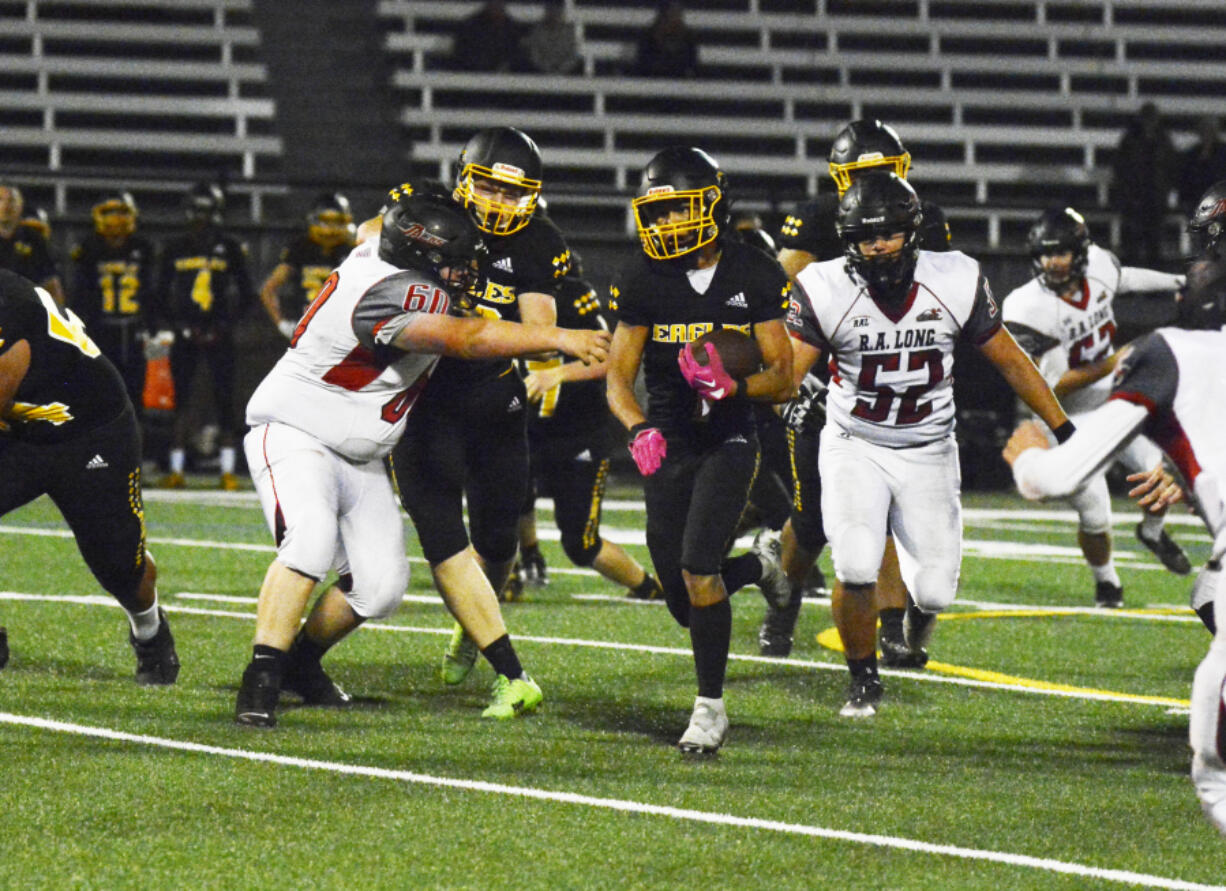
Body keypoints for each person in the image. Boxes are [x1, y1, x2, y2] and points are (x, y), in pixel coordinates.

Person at [234, 180, 609, 728]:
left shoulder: (381, 248)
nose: (466, 273)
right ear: (420, 255)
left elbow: (374, 228)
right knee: (310, 542)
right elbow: (470, 339)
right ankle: (261, 675)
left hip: (358, 453)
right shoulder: (387, 289)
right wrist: (561, 339)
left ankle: (300, 664)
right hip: (296, 431)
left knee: (381, 589)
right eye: (455, 263)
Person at [787, 172, 1072, 717]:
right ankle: (862, 678)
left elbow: (1011, 359)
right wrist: (739, 391)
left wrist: (1064, 429)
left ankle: (914, 627)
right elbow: (788, 372)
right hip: (855, 442)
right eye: (865, 237)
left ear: (912, 232)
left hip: (929, 447)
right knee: (853, 560)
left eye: (889, 234)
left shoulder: (957, 277)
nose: (876, 246)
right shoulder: (825, 285)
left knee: (937, 591)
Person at [1003, 179, 1226, 836]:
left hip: (1102, 416)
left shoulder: (1173, 351)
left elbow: (1053, 477)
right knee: (1207, 588)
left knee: (1213, 764)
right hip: (1102, 411)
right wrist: (1192, 484)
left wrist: (1023, 455)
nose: (1190, 270)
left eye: (1203, 254)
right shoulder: (1031, 304)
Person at [605, 146, 794, 754]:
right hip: (670, 437)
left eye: (677, 211)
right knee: (685, 604)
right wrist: (639, 430)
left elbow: (783, 376)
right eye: (656, 216)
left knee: (696, 568)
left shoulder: (753, 272)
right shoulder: (641, 277)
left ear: (712, 206)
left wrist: (735, 386)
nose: (664, 226)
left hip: (729, 435)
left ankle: (710, 710)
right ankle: (760, 567)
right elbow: (617, 377)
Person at [391, 127, 573, 694]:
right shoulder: (427, 207)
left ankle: (473, 625)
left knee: (498, 543)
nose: (499, 204)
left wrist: (481, 324)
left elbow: (541, 336)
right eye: (489, 189)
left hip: (494, 401)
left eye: (512, 194)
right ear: (465, 179)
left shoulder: (539, 240)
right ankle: (488, 638)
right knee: (444, 537)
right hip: (422, 399)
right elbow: (366, 238)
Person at [767, 119, 942, 665]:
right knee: (814, 519)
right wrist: (796, 377)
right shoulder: (820, 220)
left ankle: (890, 627)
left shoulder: (924, 218)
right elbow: (782, 302)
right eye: (862, 175)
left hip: (895, 378)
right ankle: (783, 605)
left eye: (883, 172)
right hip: (831, 378)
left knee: (890, 510)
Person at [1002, 206, 1190, 607]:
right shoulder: (1025, 307)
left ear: (1081, 252)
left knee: (1159, 474)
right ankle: (1107, 581)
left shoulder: (1101, 266)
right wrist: (1110, 362)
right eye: (1045, 253)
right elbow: (1045, 386)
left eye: (1061, 253)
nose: (1052, 262)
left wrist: (1177, 281)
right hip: (1064, 418)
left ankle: (1152, 533)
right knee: (1095, 512)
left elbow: (1126, 279)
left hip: (1114, 401)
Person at [0, 267, 178, 684]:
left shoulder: (12, 311)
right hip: (19, 430)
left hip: (89, 433)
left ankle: (150, 632)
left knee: (119, 568)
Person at [516, 270, 664, 600]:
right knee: (505, 498)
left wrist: (558, 374)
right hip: (522, 427)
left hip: (577, 433)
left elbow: (613, 358)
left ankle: (648, 587)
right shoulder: (492, 289)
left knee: (581, 544)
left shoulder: (569, 293)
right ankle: (525, 559)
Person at [150, 182, 255, 491]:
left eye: (207, 212)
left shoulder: (231, 247)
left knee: (225, 400)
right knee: (180, 400)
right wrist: (178, 325)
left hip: (218, 330)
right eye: (197, 211)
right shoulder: (175, 247)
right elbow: (159, 293)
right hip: (186, 330)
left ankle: (226, 470)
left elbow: (247, 293)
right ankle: (177, 470)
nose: (202, 218)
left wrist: (226, 324)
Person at [69, 192, 158, 410]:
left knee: (134, 392)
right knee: (99, 390)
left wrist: (152, 326)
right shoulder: (89, 248)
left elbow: (151, 291)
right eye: (110, 213)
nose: (116, 219)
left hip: (133, 327)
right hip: (101, 328)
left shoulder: (143, 248)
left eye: (121, 213)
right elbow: (81, 293)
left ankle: (133, 440)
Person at [260, 192, 356, 339]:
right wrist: (282, 324)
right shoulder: (301, 248)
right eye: (325, 222)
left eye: (335, 222)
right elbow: (269, 290)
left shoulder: (355, 250)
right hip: (308, 334)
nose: (329, 230)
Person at [1111, 102, 1177, 267]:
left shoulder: (1163, 139)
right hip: (1134, 196)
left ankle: (1152, 272)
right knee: (1133, 239)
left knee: (1154, 240)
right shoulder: (1130, 139)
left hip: (1156, 196)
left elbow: (1171, 166)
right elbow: (1121, 167)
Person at [0, 184, 67, 307]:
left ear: (21, 205)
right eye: (1, 200)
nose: (6, 206)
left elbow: (51, 284)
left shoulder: (34, 239)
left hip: (24, 312)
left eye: (12, 200)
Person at [449, 0, 526, 73]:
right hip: (473, 78)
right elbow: (462, 57)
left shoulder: (514, 31)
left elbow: (517, 59)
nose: (496, 4)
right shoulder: (468, 28)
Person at [632, 1, 698, 79]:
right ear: (663, 16)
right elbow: (644, 64)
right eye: (673, 14)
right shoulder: (648, 37)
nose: (677, 18)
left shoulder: (688, 38)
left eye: (678, 14)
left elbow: (690, 64)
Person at [1178, 115, 1226, 215]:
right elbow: (1184, 179)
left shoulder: (1223, 153)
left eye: (1209, 130)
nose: (1206, 133)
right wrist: (1184, 200)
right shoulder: (1191, 155)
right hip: (1196, 203)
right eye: (1204, 129)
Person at [522, 0, 580, 75]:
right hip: (540, 72)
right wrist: (547, 67)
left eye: (556, 9)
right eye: (550, 9)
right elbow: (535, 54)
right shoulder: (537, 30)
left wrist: (562, 69)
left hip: (566, 73)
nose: (553, 13)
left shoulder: (569, 31)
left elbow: (573, 55)